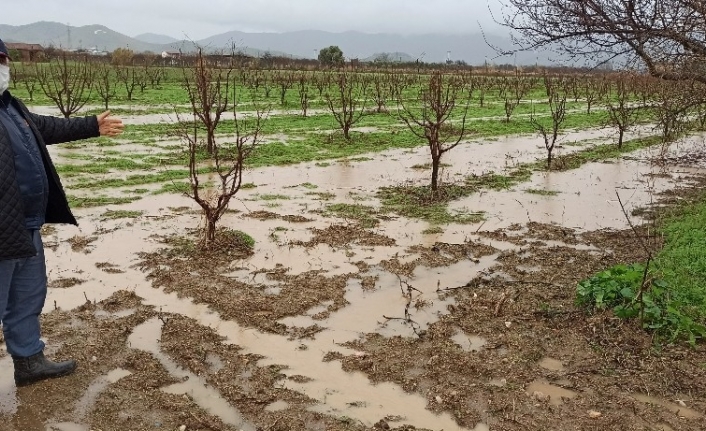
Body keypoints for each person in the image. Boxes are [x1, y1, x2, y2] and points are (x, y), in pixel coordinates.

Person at [0, 37, 124, 386]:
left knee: (28, 295)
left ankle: (29, 361)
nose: (1, 67)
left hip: (26, 223)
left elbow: (45, 128)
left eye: (3, 59)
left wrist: (91, 126)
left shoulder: (11, 106)